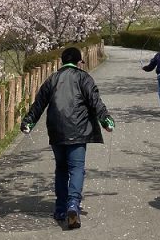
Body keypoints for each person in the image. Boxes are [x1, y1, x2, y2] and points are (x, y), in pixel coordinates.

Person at [21, 46, 114, 230]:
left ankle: (61, 209)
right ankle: (73, 205)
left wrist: (28, 122)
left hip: (56, 131)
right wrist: (106, 120)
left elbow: (39, 103)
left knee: (61, 169)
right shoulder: (83, 77)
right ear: (79, 62)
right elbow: (95, 101)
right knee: (77, 168)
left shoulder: (52, 79)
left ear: (62, 62)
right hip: (78, 130)